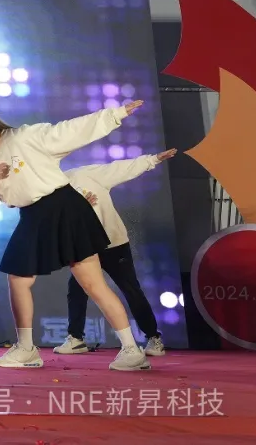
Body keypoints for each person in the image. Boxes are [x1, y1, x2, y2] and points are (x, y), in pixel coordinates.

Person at [0, 100, 150, 372]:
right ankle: (26, 349)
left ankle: (131, 350)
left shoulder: (25, 136)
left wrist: (114, 114)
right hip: (32, 215)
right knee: (18, 278)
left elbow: (70, 130)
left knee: (92, 283)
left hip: (64, 207)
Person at [53, 149, 177, 357]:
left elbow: (120, 169)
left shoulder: (83, 174)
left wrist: (151, 159)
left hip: (112, 243)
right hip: (84, 248)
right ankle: (76, 338)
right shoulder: (48, 194)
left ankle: (153, 338)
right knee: (76, 290)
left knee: (130, 289)